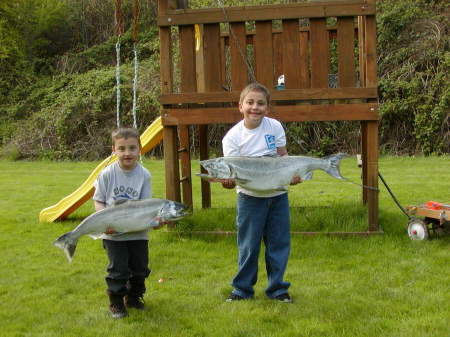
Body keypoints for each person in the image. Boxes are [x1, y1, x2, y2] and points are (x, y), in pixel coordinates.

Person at [221, 82, 301, 303]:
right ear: (240, 106)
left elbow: (283, 157)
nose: (255, 107)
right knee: (248, 246)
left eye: (260, 103)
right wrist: (227, 182)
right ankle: (242, 289)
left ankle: (278, 289)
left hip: (278, 196)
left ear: (267, 107)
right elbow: (231, 171)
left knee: (278, 244)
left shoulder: (274, 126)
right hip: (249, 198)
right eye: (250, 102)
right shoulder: (232, 138)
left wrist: (292, 174)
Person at [93, 127, 158, 319]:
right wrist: (105, 222)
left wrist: (155, 221)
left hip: (138, 233)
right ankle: (116, 303)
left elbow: (146, 206)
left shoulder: (144, 175)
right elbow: (98, 200)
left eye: (132, 148)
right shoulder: (106, 174)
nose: (127, 153)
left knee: (140, 269)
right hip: (113, 233)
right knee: (118, 269)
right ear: (114, 150)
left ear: (140, 149)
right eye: (121, 149)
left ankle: (134, 298)